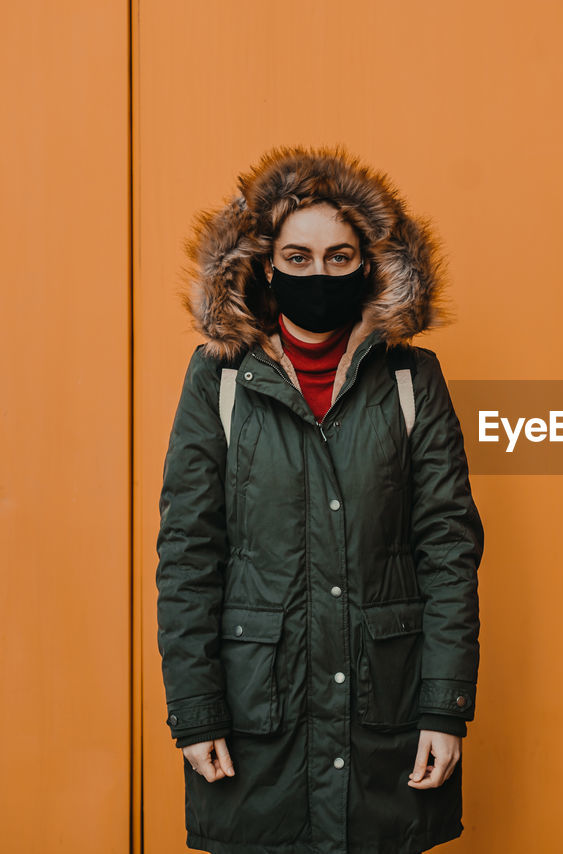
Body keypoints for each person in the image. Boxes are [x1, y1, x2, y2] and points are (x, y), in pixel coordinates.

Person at [155, 144, 483, 854]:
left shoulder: (410, 379)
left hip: (386, 715)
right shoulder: (219, 380)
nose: (320, 273)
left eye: (340, 256)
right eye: (298, 257)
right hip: (255, 717)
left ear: (370, 264)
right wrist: (196, 711)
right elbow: (188, 554)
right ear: (265, 265)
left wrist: (445, 707)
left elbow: (449, 550)